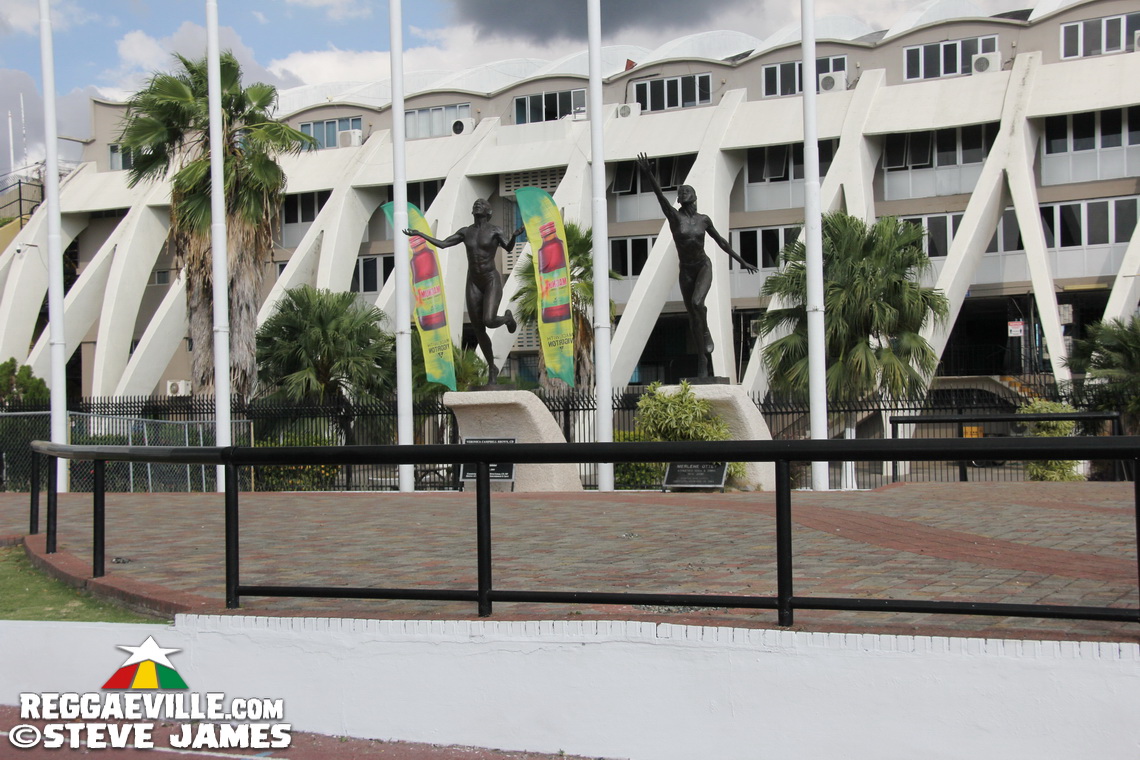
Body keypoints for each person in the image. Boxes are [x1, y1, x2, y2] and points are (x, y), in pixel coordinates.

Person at [636, 152, 759, 378]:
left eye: (686, 191)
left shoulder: (704, 220)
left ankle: (706, 334)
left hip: (703, 266)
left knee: (697, 302)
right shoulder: (675, 218)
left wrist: (741, 261)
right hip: (686, 271)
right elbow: (661, 199)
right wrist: (649, 176)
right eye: (680, 192)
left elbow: (721, 241)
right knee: (693, 314)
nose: (682, 194)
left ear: (693, 196)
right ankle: (703, 359)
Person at [404, 198, 524, 384]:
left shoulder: (494, 230)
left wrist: (515, 236)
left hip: (491, 279)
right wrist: (420, 234)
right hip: (473, 282)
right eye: (475, 204)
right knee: (478, 329)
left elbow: (508, 248)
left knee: (489, 320)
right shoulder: (466, 232)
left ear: (489, 212)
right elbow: (443, 244)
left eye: (481, 204)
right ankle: (492, 369)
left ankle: (507, 318)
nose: (477, 205)